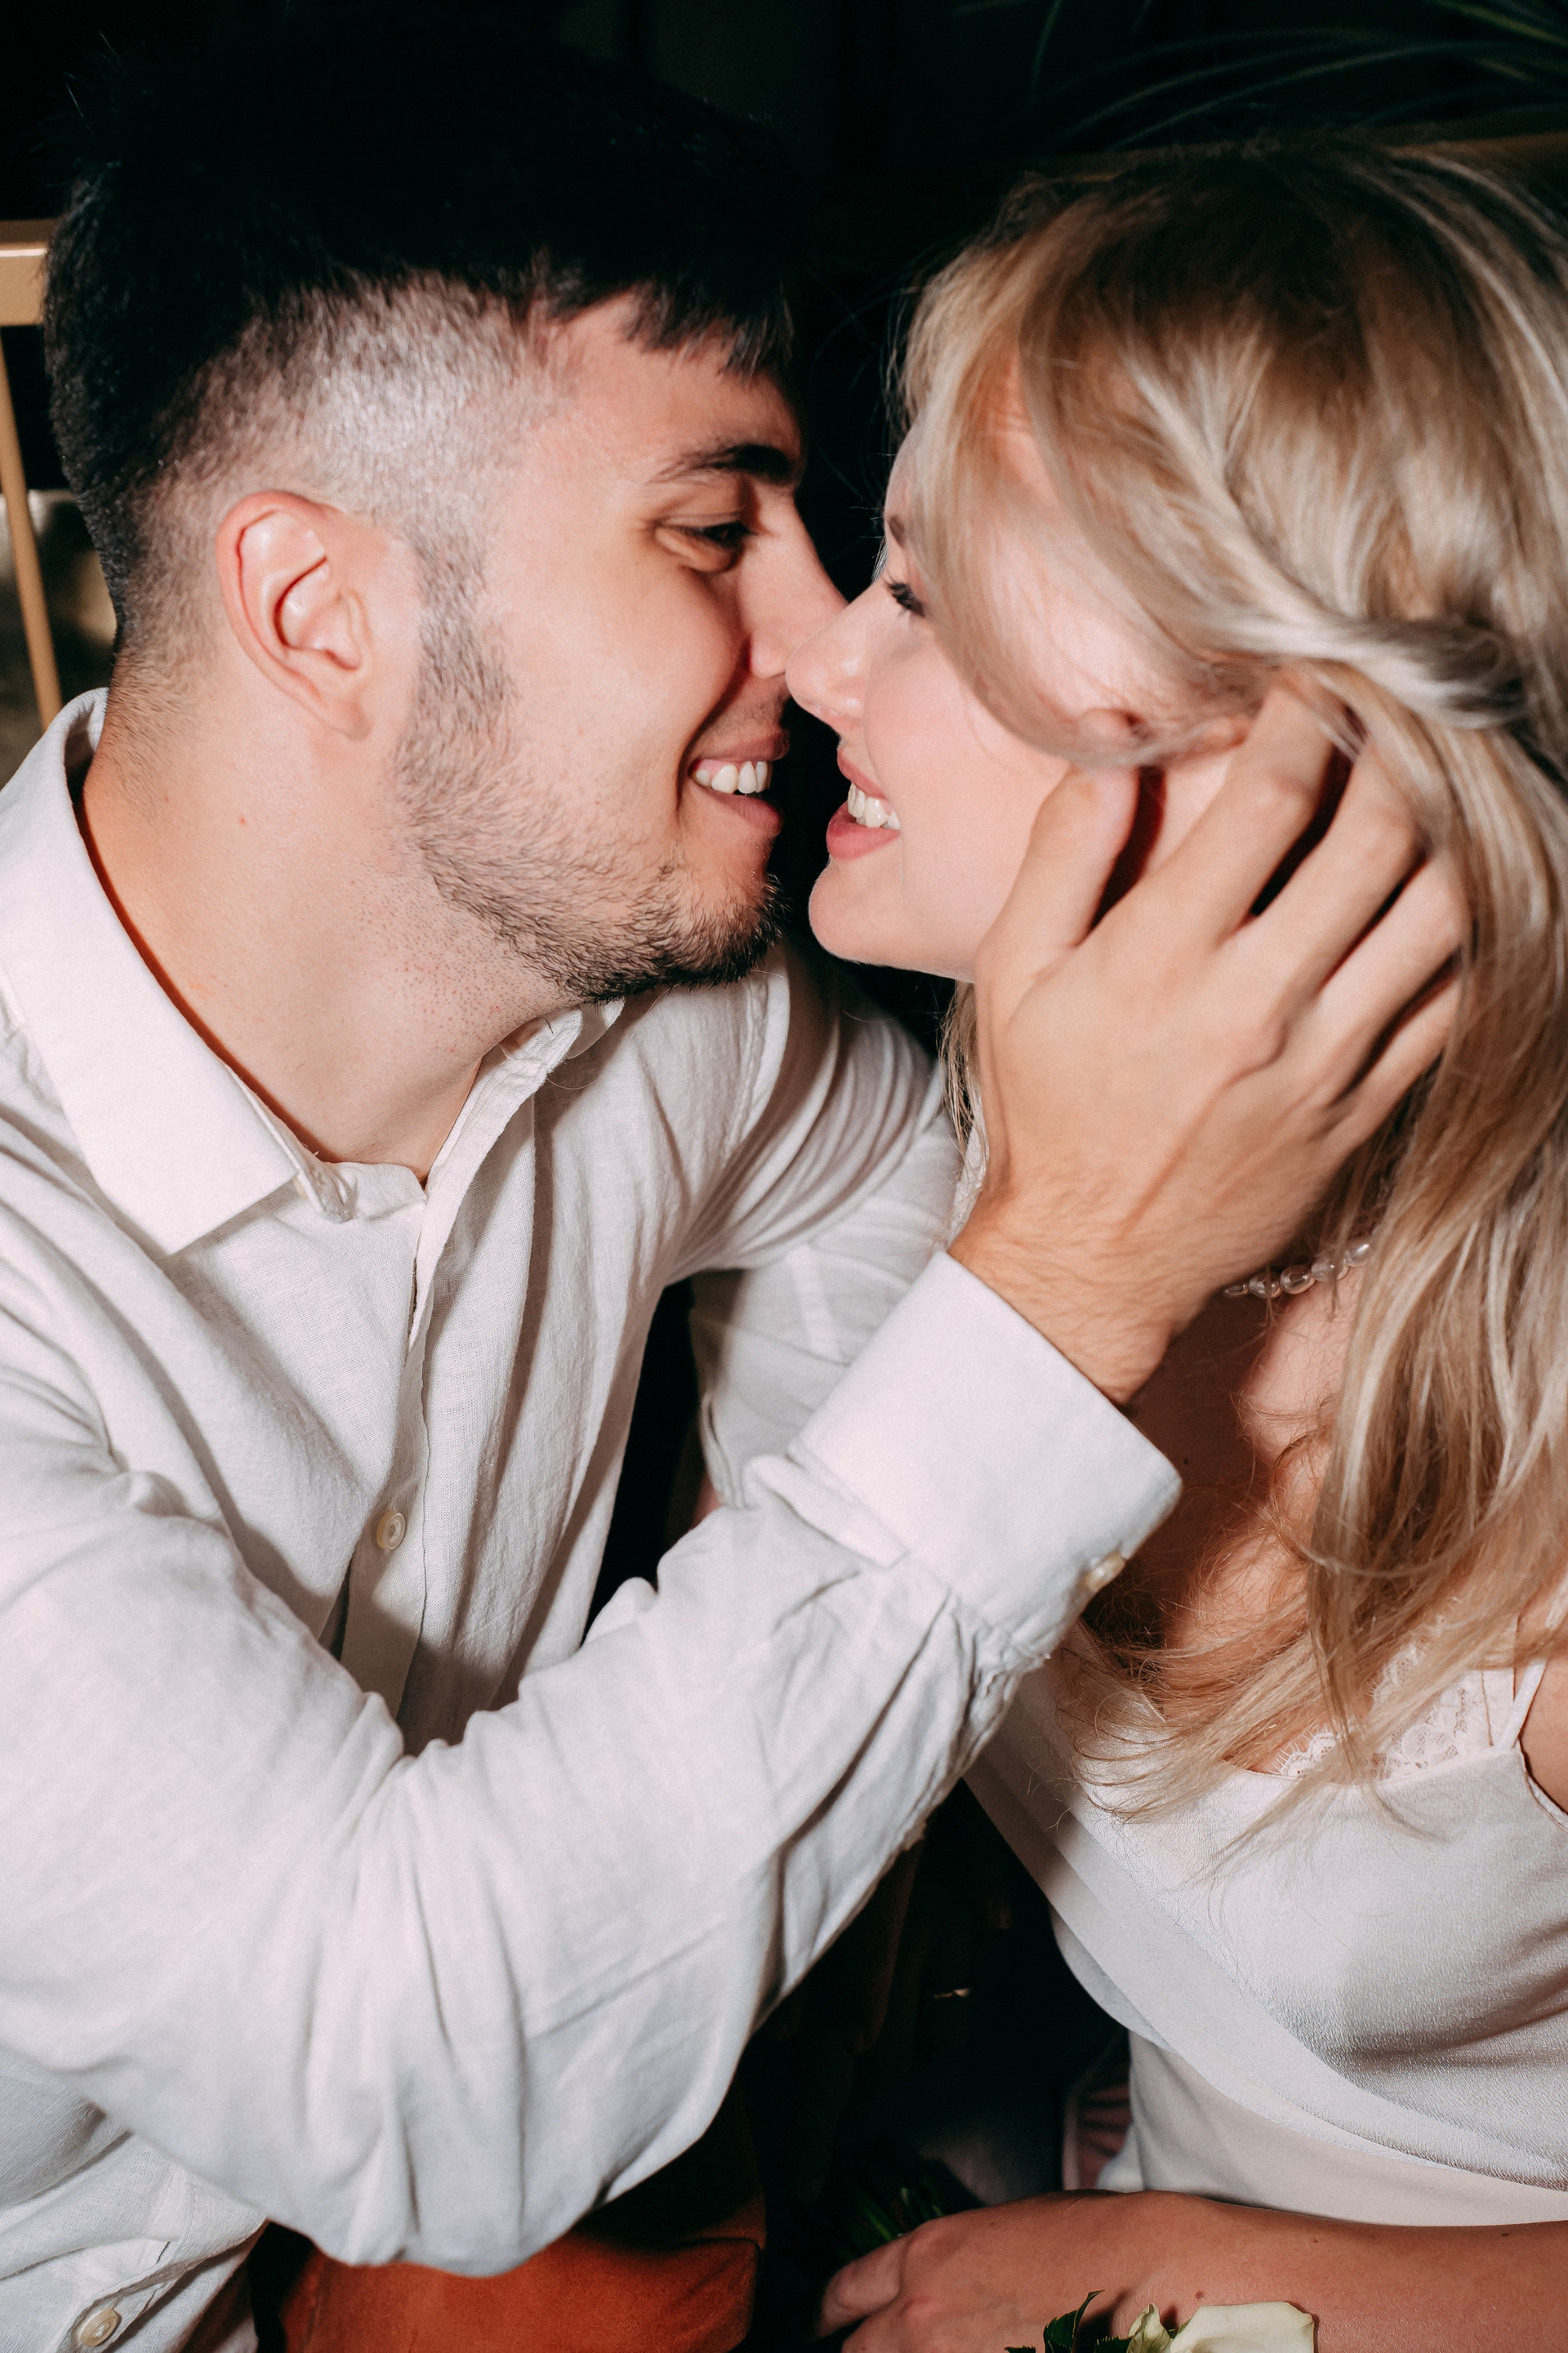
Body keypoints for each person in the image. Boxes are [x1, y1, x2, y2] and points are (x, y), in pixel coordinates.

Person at [0, 15, 1454, 2349]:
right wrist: (1064, 1282)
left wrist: (688, 1718)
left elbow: (875, 1179)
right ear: (318, 610)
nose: (825, 640)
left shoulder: (664, 1026)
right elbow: (419, 2071)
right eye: (713, 530)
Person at [786, 137, 1568, 2353]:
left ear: (1284, 761)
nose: (822, 655)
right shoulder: (937, 1135)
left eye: (922, 594)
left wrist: (1173, 2274)